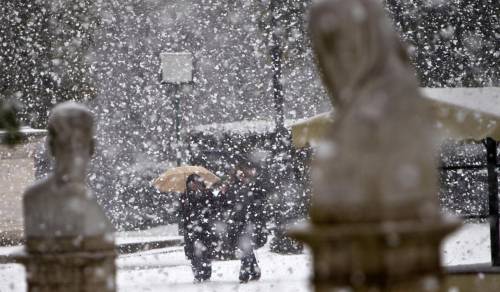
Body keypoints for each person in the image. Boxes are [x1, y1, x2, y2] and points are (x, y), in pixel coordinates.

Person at [226, 162, 266, 283]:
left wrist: (254, 213)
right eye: (239, 174)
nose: (241, 176)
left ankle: (244, 274)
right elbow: (227, 204)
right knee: (245, 247)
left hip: (250, 222)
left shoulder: (254, 186)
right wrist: (223, 194)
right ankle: (255, 271)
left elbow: (260, 201)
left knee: (245, 247)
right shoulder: (233, 187)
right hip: (237, 222)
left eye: (243, 174)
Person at [179, 174, 217, 282]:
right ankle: (197, 275)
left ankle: (206, 274)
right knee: (193, 253)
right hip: (190, 228)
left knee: (205, 252)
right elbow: (182, 212)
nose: (193, 185)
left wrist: (204, 210)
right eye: (191, 183)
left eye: (195, 183)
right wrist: (185, 205)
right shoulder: (184, 195)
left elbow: (213, 208)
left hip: (204, 228)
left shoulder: (207, 193)